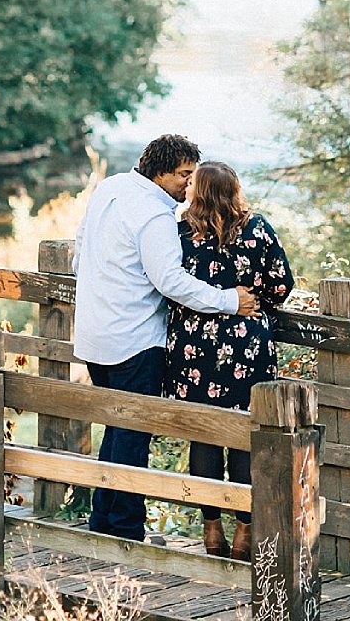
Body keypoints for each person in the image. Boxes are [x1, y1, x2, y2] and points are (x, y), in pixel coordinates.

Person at [71, 134, 259, 541]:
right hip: (133, 340)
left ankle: (102, 521)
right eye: (183, 176)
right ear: (160, 172)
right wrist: (230, 301)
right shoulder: (155, 216)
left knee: (114, 427)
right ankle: (126, 530)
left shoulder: (111, 187)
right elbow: (171, 281)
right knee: (132, 435)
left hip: (94, 332)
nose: (188, 187)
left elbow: (79, 250)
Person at [165, 161, 296, 558]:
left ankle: (210, 530)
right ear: (236, 189)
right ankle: (244, 531)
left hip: (194, 350)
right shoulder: (257, 228)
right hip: (246, 345)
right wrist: (255, 303)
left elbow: (166, 285)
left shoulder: (180, 232)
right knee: (243, 438)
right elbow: (283, 282)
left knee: (204, 437)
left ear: (196, 190)